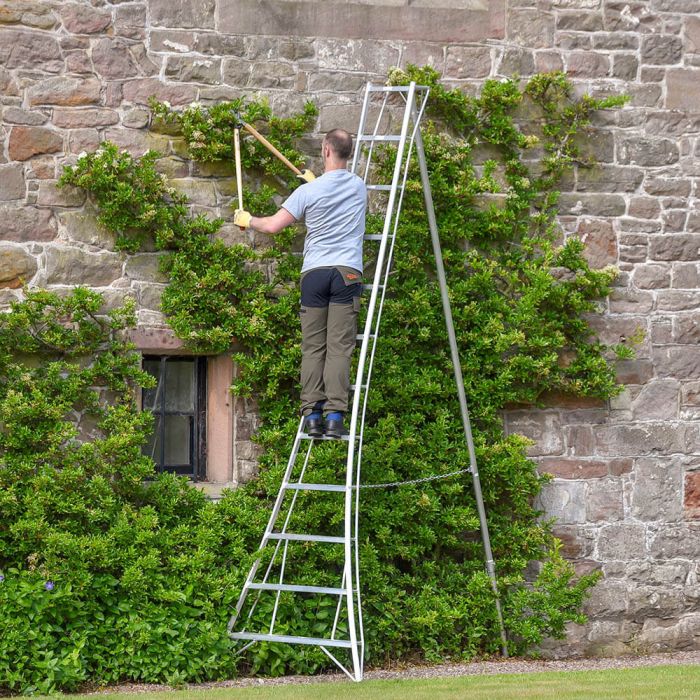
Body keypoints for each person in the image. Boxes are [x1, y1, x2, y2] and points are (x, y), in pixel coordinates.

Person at [234, 128, 367, 438]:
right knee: (338, 349)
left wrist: (247, 219)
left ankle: (311, 415)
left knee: (313, 349)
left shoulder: (308, 192)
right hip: (346, 273)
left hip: (315, 275)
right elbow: (334, 193)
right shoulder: (360, 187)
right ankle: (334, 416)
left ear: (325, 151)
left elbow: (272, 226)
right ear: (346, 153)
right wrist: (313, 184)